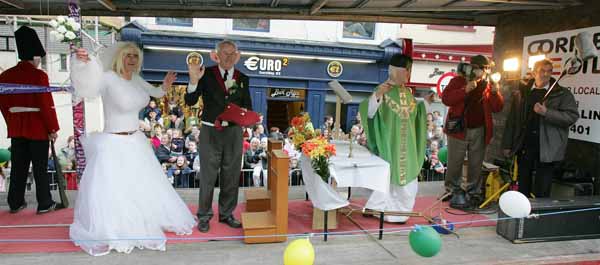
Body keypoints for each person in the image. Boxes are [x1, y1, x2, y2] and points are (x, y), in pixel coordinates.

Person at [69, 43, 196, 256]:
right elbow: (87, 87)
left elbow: (155, 92)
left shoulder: (135, 79)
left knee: (140, 187)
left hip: (136, 141)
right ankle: (118, 226)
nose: (132, 59)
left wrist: (165, 85)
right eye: (128, 55)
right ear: (119, 57)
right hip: (113, 143)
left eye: (135, 56)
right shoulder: (108, 78)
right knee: (117, 191)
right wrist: (84, 64)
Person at [185, 39, 252, 233]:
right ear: (217, 55)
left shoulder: (242, 78)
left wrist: (248, 116)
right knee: (208, 175)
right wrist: (193, 81)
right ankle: (204, 215)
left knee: (231, 175)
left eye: (232, 53)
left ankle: (226, 213)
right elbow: (190, 101)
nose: (229, 57)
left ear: (237, 56)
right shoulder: (205, 74)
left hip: (233, 132)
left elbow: (247, 104)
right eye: (225, 53)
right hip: (210, 131)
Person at [359, 53, 427, 223]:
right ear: (398, 71)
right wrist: (378, 96)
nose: (409, 74)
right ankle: (380, 209)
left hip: (408, 146)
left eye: (410, 70)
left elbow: (416, 118)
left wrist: (424, 104)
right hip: (389, 144)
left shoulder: (410, 93)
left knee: (406, 181)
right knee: (387, 178)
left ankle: (401, 212)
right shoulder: (383, 89)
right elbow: (369, 113)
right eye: (407, 70)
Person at [0, 26, 61, 214]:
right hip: (38, 127)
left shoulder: (5, 76)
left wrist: (12, 122)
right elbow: (45, 104)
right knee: (40, 167)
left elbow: (3, 105)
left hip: (17, 127)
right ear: (35, 56)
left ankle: (15, 202)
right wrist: (53, 128)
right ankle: (44, 202)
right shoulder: (39, 76)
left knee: (19, 167)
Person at [502, 59, 578, 198]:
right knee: (523, 182)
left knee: (542, 186)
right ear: (533, 73)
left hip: (547, 148)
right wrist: (507, 144)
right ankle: (523, 214)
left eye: (549, 71)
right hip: (524, 145)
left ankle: (539, 216)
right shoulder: (522, 92)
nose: (546, 74)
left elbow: (571, 117)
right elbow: (512, 120)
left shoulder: (562, 93)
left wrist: (546, 112)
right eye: (542, 71)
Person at [442, 55, 504, 208]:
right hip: (459, 128)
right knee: (454, 162)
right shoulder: (458, 80)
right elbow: (446, 99)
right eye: (479, 67)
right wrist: (465, 90)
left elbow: (498, 108)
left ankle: (473, 192)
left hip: (480, 129)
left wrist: (496, 93)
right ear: (471, 67)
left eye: (485, 68)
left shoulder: (489, 84)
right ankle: (452, 190)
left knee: (476, 163)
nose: (482, 71)